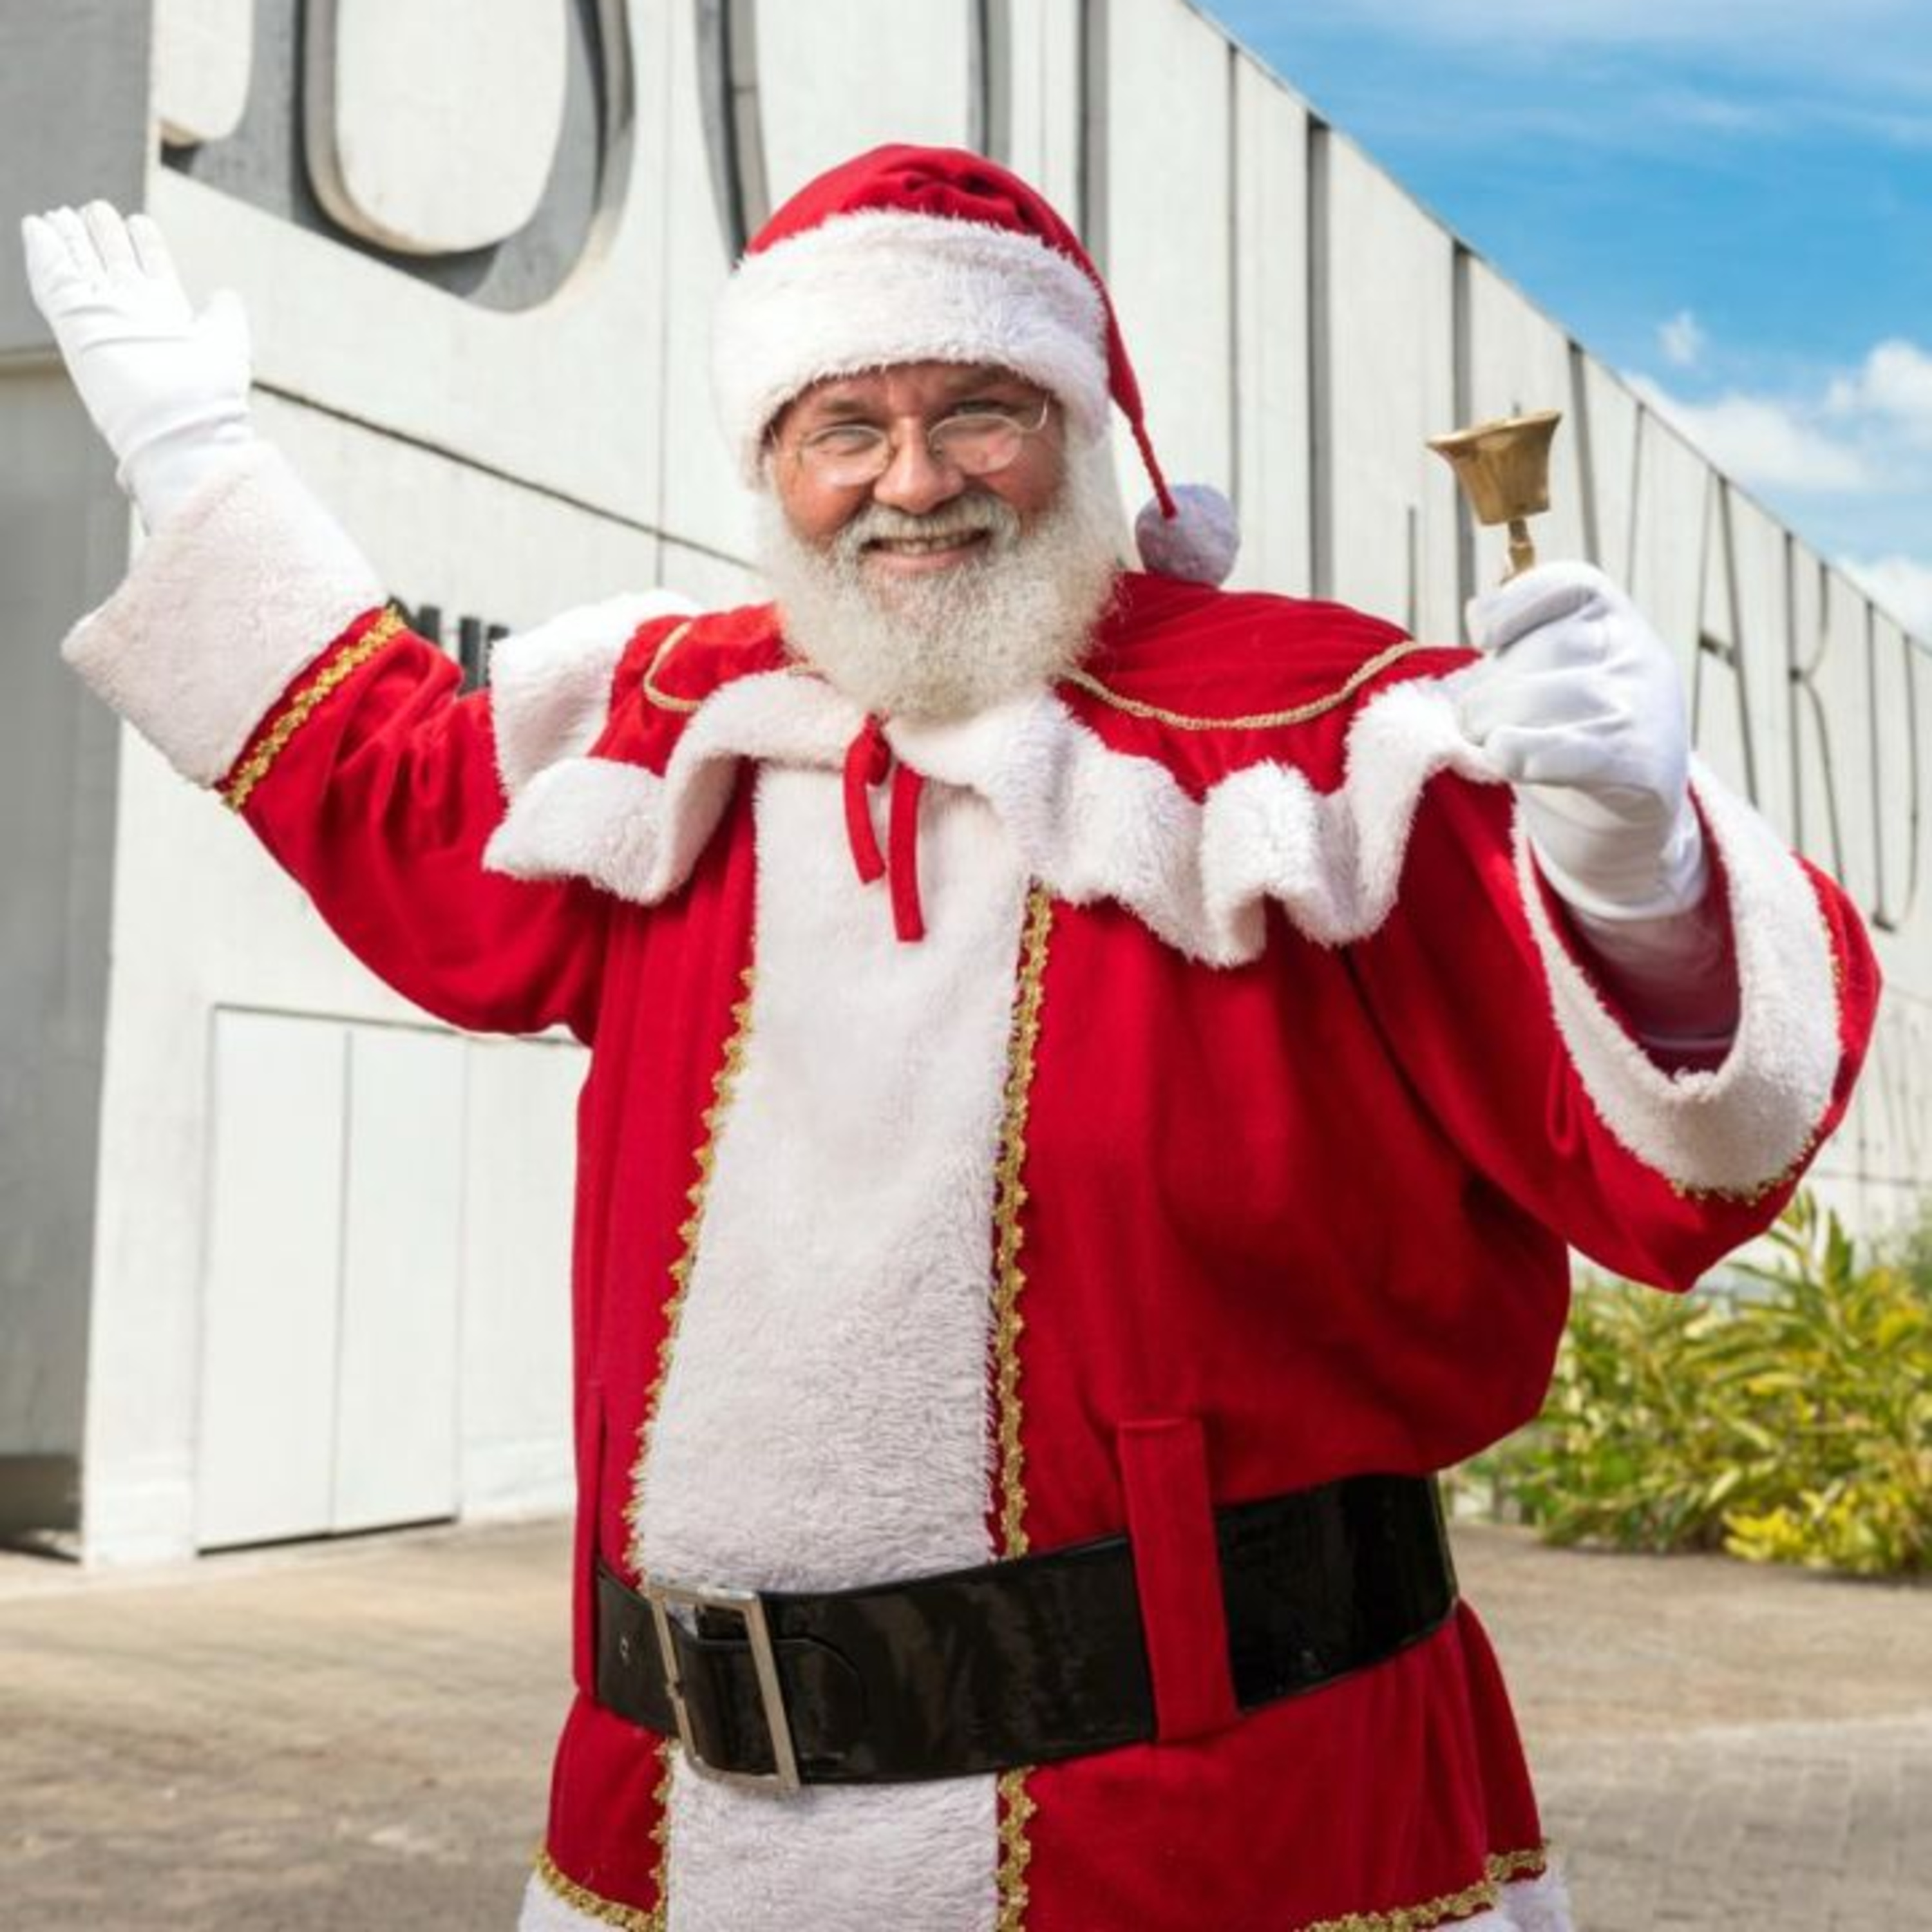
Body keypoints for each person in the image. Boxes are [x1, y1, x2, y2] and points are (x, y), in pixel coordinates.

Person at [22, 146, 1877, 1932]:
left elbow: (1667, 1168)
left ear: (1087, 433)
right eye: (846, 427)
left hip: (1232, 1836)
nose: (912, 481)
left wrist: (1636, 867)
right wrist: (200, 458)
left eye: (979, 408)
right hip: (692, 1837)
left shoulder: (1334, 736)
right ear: (776, 463)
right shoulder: (681, 722)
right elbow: (412, 797)